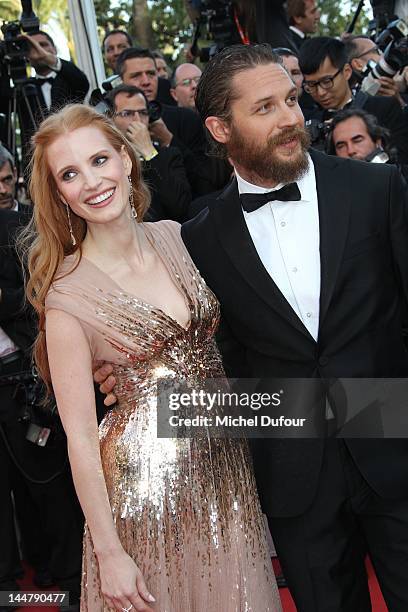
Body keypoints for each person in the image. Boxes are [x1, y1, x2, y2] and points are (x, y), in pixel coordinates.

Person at [97, 43, 408, 611]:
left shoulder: (376, 191)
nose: (290, 117)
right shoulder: (200, 237)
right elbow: (213, 356)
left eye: (290, 99)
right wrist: (129, 379)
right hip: (294, 468)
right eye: (264, 108)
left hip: (393, 437)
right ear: (219, 127)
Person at [25, 103, 281, 612]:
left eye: (99, 160)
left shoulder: (178, 237)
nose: (92, 182)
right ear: (59, 193)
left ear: (125, 157)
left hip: (224, 472)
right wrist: (108, 551)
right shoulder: (66, 299)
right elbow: (78, 440)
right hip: (146, 493)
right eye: (70, 174)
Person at [299, 36, 408, 162]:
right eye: (311, 85)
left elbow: (402, 161)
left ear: (346, 71)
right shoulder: (311, 126)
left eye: (326, 81)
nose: (321, 92)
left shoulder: (384, 108)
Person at [108, 84, 192, 221]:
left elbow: (180, 207)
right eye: (127, 114)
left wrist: (149, 152)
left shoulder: (168, 156)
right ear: (111, 119)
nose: (137, 120)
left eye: (143, 113)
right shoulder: (106, 162)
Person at [25, 31, 89, 112]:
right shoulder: (24, 88)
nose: (39, 50)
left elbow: (83, 82)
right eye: (32, 47)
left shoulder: (71, 80)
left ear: (55, 49)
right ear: (26, 55)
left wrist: (48, 58)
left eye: (43, 45)